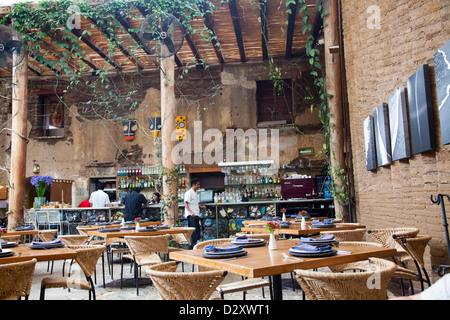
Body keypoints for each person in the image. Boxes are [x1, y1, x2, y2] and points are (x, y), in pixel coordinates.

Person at [184, 178, 206, 249]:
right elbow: (185, 203)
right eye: (198, 184)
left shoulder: (195, 193)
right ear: (194, 184)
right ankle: (192, 247)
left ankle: (193, 246)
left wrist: (201, 207)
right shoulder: (189, 193)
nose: (199, 186)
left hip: (196, 215)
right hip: (192, 215)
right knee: (194, 232)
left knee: (197, 231)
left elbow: (195, 204)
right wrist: (191, 212)